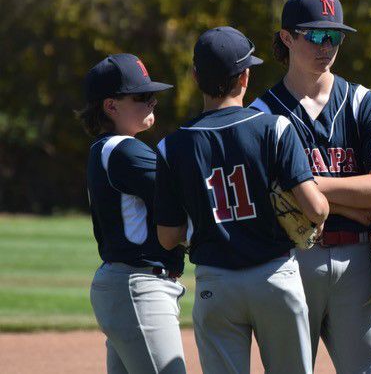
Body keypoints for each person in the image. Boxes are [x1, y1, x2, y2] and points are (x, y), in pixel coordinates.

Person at [155, 26, 329, 374]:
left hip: (215, 284)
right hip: (274, 277)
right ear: (245, 76)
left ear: (195, 76)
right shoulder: (274, 128)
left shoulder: (170, 147)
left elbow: (167, 237)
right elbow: (317, 208)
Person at [250, 0, 371, 373]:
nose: (327, 46)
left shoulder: (362, 103)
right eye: (316, 35)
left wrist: (310, 184)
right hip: (289, 260)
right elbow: (266, 198)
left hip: (356, 263)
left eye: (335, 36)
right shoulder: (262, 114)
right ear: (287, 37)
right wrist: (354, 202)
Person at [79, 53, 187, 374]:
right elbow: (185, 195)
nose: (153, 102)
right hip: (138, 287)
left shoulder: (107, 149)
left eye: (153, 95)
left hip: (128, 286)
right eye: (141, 96)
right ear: (111, 106)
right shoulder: (124, 150)